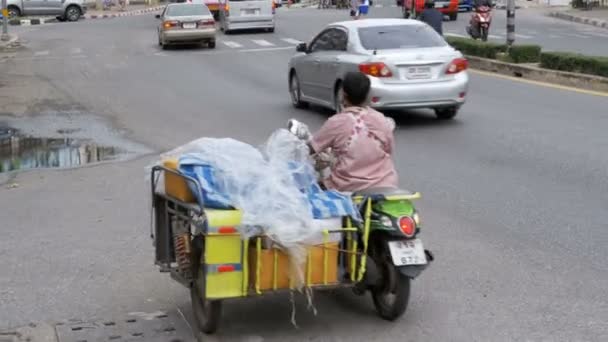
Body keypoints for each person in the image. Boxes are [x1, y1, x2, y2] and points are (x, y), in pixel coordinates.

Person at [305, 72, 399, 193]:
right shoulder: (381, 119)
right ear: (368, 94)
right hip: (386, 183)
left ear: (343, 94)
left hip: (348, 187)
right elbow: (389, 150)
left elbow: (310, 148)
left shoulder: (337, 122)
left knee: (310, 192)